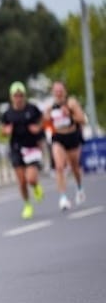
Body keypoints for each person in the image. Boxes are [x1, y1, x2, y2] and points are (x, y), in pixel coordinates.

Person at [0, 81, 46, 220]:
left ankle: (36, 186)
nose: (18, 98)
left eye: (21, 95)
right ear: (11, 97)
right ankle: (27, 204)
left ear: (24, 96)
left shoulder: (32, 109)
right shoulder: (8, 113)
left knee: (31, 179)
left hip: (31, 147)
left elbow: (43, 120)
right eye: (16, 96)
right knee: (21, 182)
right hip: (16, 148)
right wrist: (6, 131)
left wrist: (38, 129)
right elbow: (3, 130)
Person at [46, 79, 87, 210]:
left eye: (60, 91)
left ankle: (80, 187)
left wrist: (69, 114)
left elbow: (82, 119)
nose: (58, 93)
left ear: (65, 91)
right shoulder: (50, 107)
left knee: (74, 167)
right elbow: (45, 123)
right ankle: (63, 197)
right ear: (52, 92)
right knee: (59, 167)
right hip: (58, 137)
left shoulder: (71, 103)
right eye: (56, 91)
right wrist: (47, 121)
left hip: (72, 136)